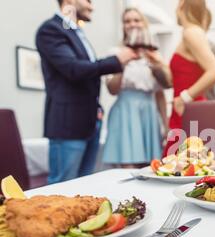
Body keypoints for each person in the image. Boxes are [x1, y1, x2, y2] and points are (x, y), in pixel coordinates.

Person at [36, 0, 138, 184]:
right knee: (61, 188)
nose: (92, 6)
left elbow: (87, 72)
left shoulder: (76, 33)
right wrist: (117, 60)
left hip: (90, 124)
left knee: (83, 186)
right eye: (88, 1)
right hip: (67, 125)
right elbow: (73, 69)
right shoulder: (50, 30)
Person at [151, 0, 215, 156]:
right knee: (179, 168)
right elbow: (181, 77)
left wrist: (184, 97)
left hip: (188, 111)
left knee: (178, 168)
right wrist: (160, 63)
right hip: (184, 111)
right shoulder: (192, 33)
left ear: (182, 4)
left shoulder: (191, 32)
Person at [102, 8, 170, 168]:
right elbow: (112, 89)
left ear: (144, 24)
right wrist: (122, 63)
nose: (132, 24)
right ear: (123, 26)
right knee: (127, 169)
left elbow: (161, 92)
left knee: (150, 168)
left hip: (149, 113)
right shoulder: (116, 53)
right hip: (125, 113)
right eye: (127, 21)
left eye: (136, 20)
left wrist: (166, 126)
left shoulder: (155, 55)